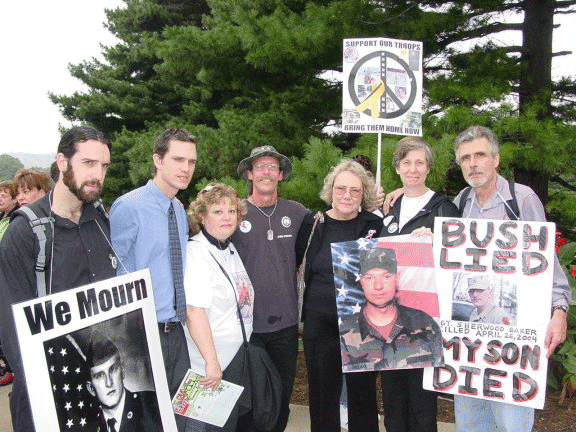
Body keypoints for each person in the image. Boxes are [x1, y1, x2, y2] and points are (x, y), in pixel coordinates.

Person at [451, 125, 570, 432]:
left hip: (514, 342)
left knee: (511, 422)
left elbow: (548, 263)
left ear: (496, 159)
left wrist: (559, 312)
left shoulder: (522, 199)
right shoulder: (461, 202)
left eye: (480, 154)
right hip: (469, 346)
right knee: (470, 421)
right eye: (465, 157)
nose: (473, 163)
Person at [0, 126, 115, 432]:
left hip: (98, 391)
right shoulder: (25, 233)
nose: (97, 175)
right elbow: (12, 330)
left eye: (103, 166)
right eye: (88, 163)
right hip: (51, 396)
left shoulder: (101, 222)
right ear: (62, 162)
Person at [110, 128, 197, 432]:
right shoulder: (128, 206)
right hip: (141, 333)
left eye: (191, 161)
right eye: (178, 159)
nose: (186, 168)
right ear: (158, 159)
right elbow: (115, 272)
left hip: (176, 333)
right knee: (148, 423)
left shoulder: (177, 209)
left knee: (181, 416)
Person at [379, 136, 460, 432]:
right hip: (388, 318)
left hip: (424, 319)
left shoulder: (444, 208)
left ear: (428, 168)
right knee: (393, 399)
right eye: (406, 163)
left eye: (419, 163)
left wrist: (436, 243)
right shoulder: (388, 208)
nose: (413, 169)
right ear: (397, 168)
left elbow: (457, 261)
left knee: (422, 400)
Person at [295, 159, 383, 432]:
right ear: (330, 189)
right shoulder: (312, 223)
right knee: (323, 395)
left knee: (363, 396)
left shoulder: (374, 225)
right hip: (319, 324)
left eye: (355, 190)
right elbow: (298, 264)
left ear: (363, 195)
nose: (347, 195)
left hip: (362, 326)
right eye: (341, 188)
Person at [232, 145, 308, 432]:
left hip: (285, 326)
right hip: (245, 326)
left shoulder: (297, 213)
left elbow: (332, 227)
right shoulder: (234, 212)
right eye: (260, 166)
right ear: (250, 173)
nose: (266, 171)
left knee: (280, 398)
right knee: (247, 401)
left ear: (280, 175)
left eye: (272, 167)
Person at [183, 183, 254, 431]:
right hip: (207, 370)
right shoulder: (196, 253)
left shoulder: (228, 248)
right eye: (217, 211)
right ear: (202, 216)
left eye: (231, 211)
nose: (227, 217)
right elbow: (194, 310)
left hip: (231, 364)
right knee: (200, 427)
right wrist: (211, 362)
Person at [340, 247, 443, 369]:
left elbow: (437, 371)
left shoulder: (425, 323)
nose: (378, 286)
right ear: (361, 281)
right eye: (369, 277)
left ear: (397, 278)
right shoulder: (344, 332)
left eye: (386, 276)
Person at [86, 332, 161, 432]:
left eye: (113, 369)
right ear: (91, 389)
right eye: (99, 376)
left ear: (123, 370)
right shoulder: (89, 426)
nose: (109, 383)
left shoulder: (153, 405)